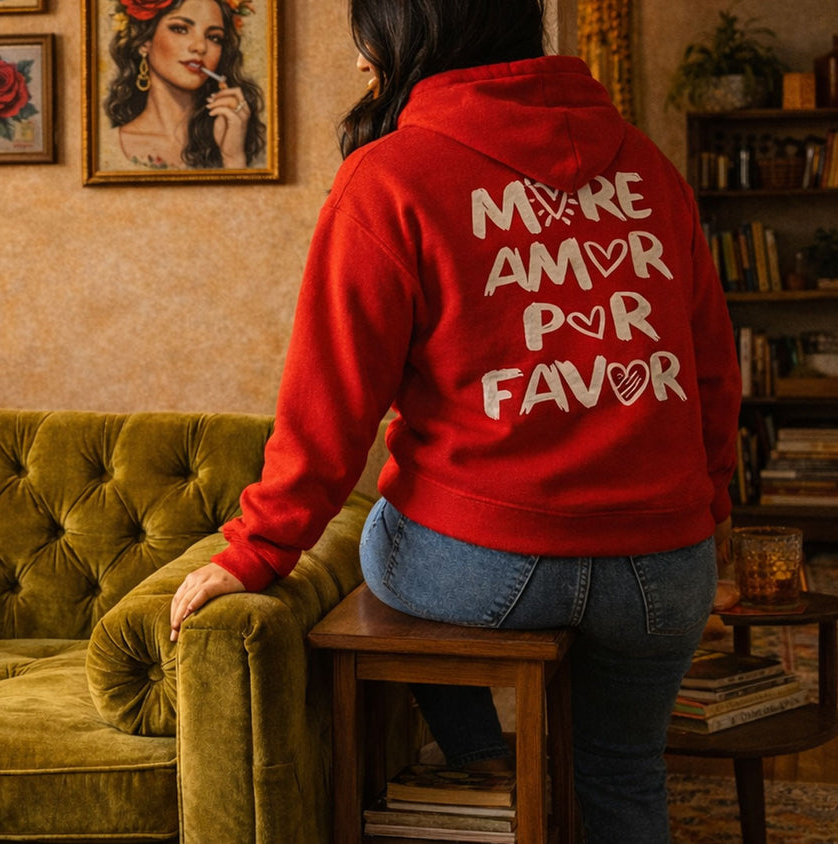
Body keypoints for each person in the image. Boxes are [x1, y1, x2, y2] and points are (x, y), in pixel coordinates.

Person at [167, 1, 741, 840]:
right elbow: (712, 371)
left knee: (380, 535)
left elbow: (330, 404)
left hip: (488, 571)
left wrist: (257, 550)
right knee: (624, 773)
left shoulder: (388, 177)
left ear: (418, 34)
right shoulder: (648, 165)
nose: (361, 61)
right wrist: (708, 508)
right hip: (664, 563)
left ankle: (483, 764)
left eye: (369, 37)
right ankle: (524, 777)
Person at [103, 0, 265, 170]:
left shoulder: (243, 141)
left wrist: (233, 158)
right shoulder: (109, 147)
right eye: (180, 29)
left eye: (213, 37)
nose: (200, 47)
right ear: (145, 42)